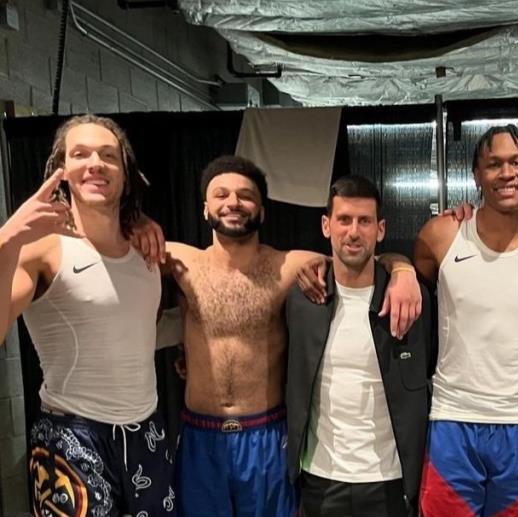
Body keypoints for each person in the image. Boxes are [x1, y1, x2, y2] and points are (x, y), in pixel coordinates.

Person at [136, 156, 422, 516]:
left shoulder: (289, 266)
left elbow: (358, 254)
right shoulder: (179, 260)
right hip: (200, 436)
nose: (233, 202)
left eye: (245, 195)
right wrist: (138, 220)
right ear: (205, 207)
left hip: (266, 437)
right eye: (221, 194)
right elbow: (112, 241)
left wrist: (402, 269)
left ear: (262, 211)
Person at [0, 114, 177, 516]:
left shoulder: (147, 247)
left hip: (146, 433)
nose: (96, 163)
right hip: (72, 435)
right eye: (80, 154)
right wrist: (7, 238)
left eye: (108, 156)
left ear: (126, 174)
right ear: (61, 171)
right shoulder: (42, 250)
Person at [414, 125, 518, 516]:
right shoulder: (442, 235)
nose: (506, 173)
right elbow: (403, 288)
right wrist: (397, 267)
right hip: (452, 422)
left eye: (517, 162)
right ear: (477, 176)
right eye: (494, 164)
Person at [285, 175, 434, 516]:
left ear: (380, 230)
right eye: (344, 220)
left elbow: (437, 365)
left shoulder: (411, 301)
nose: (353, 232)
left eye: (364, 221)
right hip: (320, 479)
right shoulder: (302, 300)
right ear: (326, 226)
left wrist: (402, 268)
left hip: (390, 481)